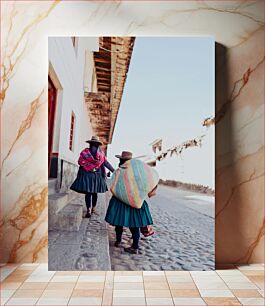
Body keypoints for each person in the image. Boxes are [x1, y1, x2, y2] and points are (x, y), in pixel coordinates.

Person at [105, 151, 154, 254]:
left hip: (120, 200)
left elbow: (113, 186)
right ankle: (135, 246)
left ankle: (118, 241)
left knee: (119, 223)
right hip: (135, 200)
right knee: (135, 224)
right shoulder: (138, 172)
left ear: (121, 161)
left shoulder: (119, 171)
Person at [70, 136, 114, 218]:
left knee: (88, 193)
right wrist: (114, 171)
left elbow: (80, 161)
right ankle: (93, 208)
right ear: (98, 145)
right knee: (94, 193)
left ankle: (89, 209)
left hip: (87, 175)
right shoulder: (101, 154)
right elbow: (106, 164)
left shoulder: (85, 152)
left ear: (90, 144)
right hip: (97, 176)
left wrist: (89, 167)